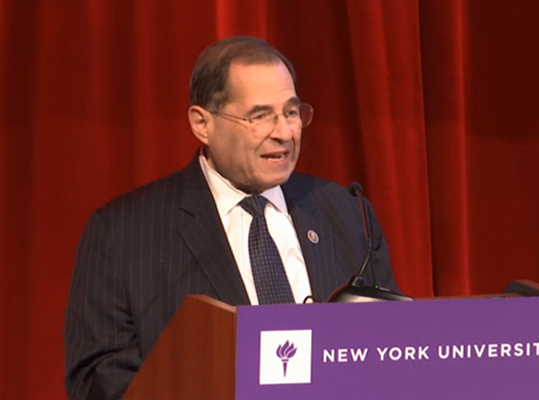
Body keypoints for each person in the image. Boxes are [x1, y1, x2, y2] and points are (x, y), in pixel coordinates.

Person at [64, 35, 399, 400]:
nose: (283, 133)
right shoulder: (123, 232)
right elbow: (99, 381)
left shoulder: (347, 212)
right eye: (260, 117)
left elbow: (393, 349)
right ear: (201, 123)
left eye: (291, 112)